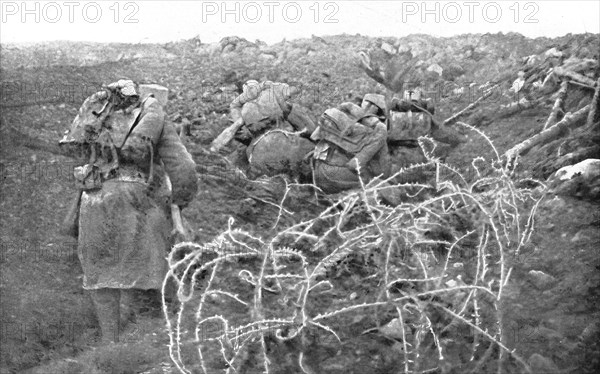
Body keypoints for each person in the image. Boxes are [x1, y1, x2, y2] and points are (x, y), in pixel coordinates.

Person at [59, 79, 198, 343]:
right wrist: (180, 201)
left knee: (102, 272)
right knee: (145, 265)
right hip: (135, 196)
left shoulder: (102, 112)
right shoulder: (155, 118)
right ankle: (146, 340)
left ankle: (110, 341)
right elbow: (184, 167)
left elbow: (78, 152)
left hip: (94, 196)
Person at [310, 93, 392, 195]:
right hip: (336, 176)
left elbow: (316, 139)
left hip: (316, 170)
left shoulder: (343, 112)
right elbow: (355, 164)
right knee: (372, 181)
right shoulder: (379, 128)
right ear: (375, 109)